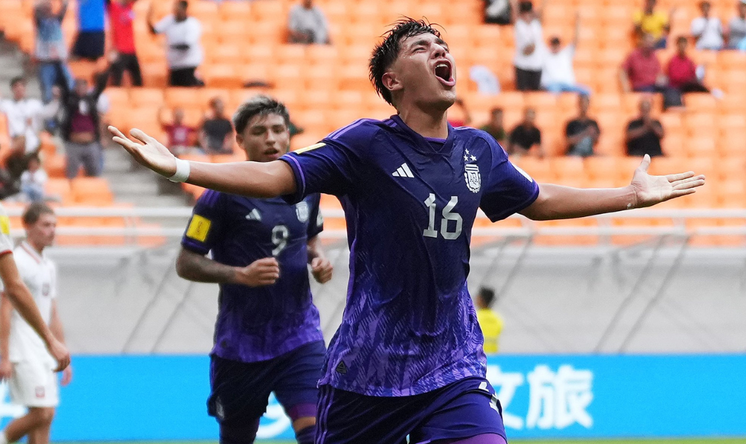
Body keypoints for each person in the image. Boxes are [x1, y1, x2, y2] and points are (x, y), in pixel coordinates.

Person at [110, 19, 705, 443]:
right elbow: (280, 176)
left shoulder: (480, 150)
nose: (440, 51)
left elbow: (539, 199)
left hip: (453, 363)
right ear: (393, 81)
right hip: (368, 371)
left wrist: (629, 196)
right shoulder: (366, 143)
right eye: (423, 48)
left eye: (442, 44)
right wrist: (183, 168)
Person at [176, 95, 332, 444]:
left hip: (300, 337)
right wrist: (239, 274)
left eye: (278, 130)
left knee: (318, 433)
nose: (271, 139)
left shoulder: (307, 190)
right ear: (240, 141)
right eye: (259, 132)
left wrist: (317, 260)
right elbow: (185, 262)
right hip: (241, 346)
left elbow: (310, 241)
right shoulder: (220, 195)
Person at [0, 203, 70, 444]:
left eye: (54, 225)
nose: (52, 230)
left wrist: (62, 351)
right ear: (28, 226)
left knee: (45, 417)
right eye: (45, 225)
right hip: (22, 347)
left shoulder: (48, 265)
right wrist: (4, 356)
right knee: (43, 412)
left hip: (43, 350)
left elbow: (53, 313)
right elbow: (5, 308)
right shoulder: (17, 261)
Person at [55, 64, 112, 179]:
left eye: (83, 86)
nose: (81, 88)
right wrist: (60, 67)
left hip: (90, 142)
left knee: (94, 174)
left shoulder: (91, 100)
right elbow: (64, 87)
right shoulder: (70, 101)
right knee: (72, 173)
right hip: (73, 143)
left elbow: (100, 86)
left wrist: (108, 67)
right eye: (78, 86)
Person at [0, 78, 60, 179]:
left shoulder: (34, 104)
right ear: (12, 90)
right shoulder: (7, 105)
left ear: (25, 89)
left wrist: (56, 99)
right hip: (14, 146)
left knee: (33, 174)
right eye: (16, 87)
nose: (19, 89)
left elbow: (49, 113)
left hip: (31, 145)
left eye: (21, 86)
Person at [148, 1, 203, 87]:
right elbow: (154, 30)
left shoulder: (192, 24)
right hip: (174, 64)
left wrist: (169, 46)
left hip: (188, 63)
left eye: (177, 8)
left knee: (187, 89)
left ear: (184, 9)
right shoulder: (170, 20)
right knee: (174, 89)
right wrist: (149, 17)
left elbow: (186, 45)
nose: (175, 11)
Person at [33, 0, 72, 104]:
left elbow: (64, 8)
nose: (48, 9)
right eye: (45, 7)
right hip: (46, 62)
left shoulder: (56, 20)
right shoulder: (41, 22)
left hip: (59, 61)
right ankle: (50, 119)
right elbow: (36, 12)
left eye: (49, 7)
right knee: (47, 92)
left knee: (70, 85)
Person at [541, 13, 589, 95]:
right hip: (551, 84)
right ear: (550, 45)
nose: (555, 47)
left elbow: (576, 40)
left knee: (586, 92)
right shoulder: (544, 54)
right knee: (554, 94)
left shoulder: (566, 53)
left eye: (557, 44)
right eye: (554, 44)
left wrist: (578, 22)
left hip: (567, 84)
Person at [107, 0, 143, 86]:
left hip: (132, 50)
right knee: (117, 79)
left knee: (138, 79)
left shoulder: (130, 6)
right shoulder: (114, 7)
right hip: (120, 50)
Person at [513, 1, 545, 91]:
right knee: (521, 92)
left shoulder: (536, 24)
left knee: (536, 93)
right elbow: (514, 10)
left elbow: (542, 10)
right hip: (522, 64)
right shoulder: (519, 25)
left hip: (536, 64)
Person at [474, 287, 503, 355]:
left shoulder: (474, 317)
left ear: (481, 299)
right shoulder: (497, 318)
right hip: (493, 355)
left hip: (477, 355)